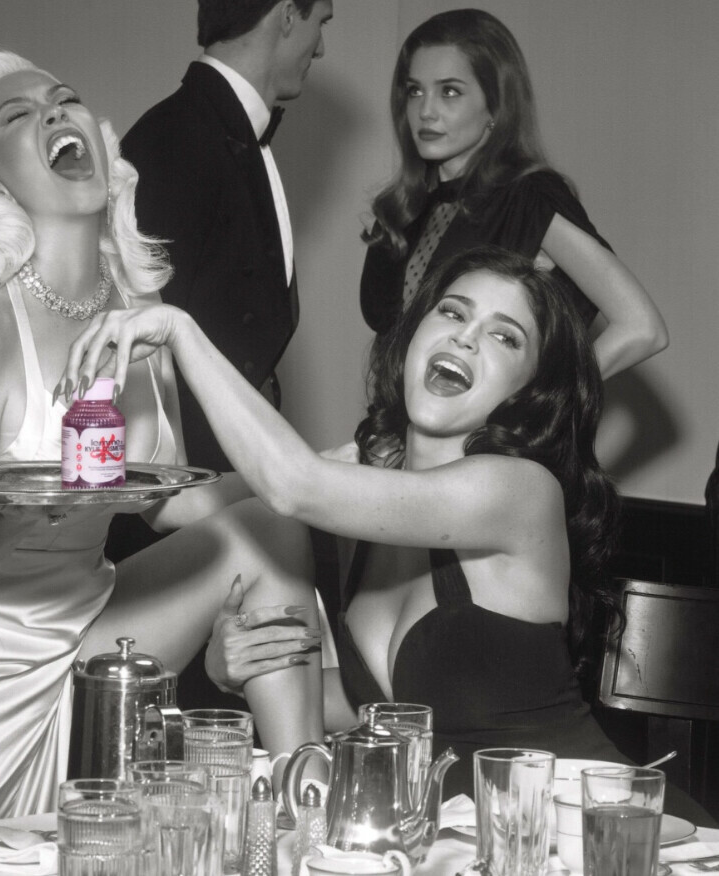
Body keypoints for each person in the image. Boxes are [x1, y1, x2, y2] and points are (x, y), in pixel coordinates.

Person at [0, 50, 324, 840]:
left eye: (63, 101)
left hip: (83, 622)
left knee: (274, 532)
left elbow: (173, 504)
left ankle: (308, 812)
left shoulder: (137, 305)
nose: (54, 114)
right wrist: (46, 503)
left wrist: (318, 480)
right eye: (18, 116)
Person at [61, 245, 712, 826]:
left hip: (588, 831)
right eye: (452, 312)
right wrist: (238, 674)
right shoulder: (368, 480)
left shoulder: (517, 490)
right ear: (417, 331)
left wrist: (179, 331)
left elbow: (293, 484)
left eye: (504, 336)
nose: (465, 338)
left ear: (531, 388)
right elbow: (183, 507)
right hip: (452, 840)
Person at [359, 8, 667, 380]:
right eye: (415, 90)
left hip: (485, 420)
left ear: (496, 104)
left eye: (450, 91)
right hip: (399, 415)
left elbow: (641, 327)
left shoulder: (529, 198)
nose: (426, 110)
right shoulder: (404, 208)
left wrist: (542, 402)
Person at [121, 0, 333, 472]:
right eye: (321, 22)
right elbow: (144, 349)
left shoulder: (211, 128)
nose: (320, 48)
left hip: (232, 469)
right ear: (287, 15)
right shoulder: (174, 139)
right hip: (189, 482)